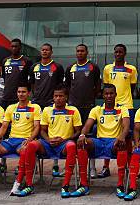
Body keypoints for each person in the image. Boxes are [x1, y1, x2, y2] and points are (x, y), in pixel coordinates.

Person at [0, 83, 41, 195]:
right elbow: (4, 126)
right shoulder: (11, 108)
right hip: (11, 141)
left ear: (29, 93)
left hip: (24, 140)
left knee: (25, 150)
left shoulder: (35, 108)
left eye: (24, 92)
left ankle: (18, 183)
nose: (21, 94)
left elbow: (37, 127)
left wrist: (31, 139)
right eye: (19, 92)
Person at [18, 85, 82, 198]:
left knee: (72, 145)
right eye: (56, 96)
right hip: (48, 143)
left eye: (61, 96)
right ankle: (29, 184)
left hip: (64, 144)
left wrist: (65, 139)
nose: (58, 98)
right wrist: (49, 140)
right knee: (32, 145)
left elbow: (78, 131)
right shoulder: (47, 110)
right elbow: (42, 130)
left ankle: (65, 185)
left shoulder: (73, 110)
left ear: (66, 97)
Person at [75, 84, 130, 198]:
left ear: (116, 95)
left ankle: (120, 185)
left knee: (122, 144)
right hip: (99, 141)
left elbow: (126, 126)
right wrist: (82, 135)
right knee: (82, 144)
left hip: (114, 142)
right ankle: (83, 185)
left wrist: (122, 136)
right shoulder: (97, 109)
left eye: (111, 93)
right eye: (106, 93)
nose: (109, 96)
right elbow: (87, 125)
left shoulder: (122, 109)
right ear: (103, 95)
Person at [101, 44, 137, 178]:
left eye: (120, 52)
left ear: (125, 53)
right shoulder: (107, 68)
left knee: (127, 137)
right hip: (111, 106)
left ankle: (127, 165)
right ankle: (105, 167)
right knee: (109, 133)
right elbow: (107, 87)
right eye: (116, 52)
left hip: (127, 106)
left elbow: (132, 88)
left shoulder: (131, 69)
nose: (118, 54)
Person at [28, 43, 64, 176]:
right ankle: (35, 163)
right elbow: (31, 84)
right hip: (37, 103)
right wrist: (35, 97)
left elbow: (60, 86)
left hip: (51, 104)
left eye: (47, 50)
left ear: (51, 52)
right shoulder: (34, 67)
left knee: (51, 132)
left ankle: (55, 164)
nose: (44, 52)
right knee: (36, 132)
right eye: (42, 50)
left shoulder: (57, 67)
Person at [66, 43, 101, 179]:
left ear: (87, 53)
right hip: (74, 107)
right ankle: (71, 166)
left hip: (89, 107)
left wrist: (91, 98)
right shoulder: (70, 68)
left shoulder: (93, 67)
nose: (80, 53)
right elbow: (68, 86)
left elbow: (98, 86)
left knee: (88, 137)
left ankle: (92, 168)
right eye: (78, 51)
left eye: (82, 51)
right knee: (73, 136)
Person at [0, 38, 32, 109]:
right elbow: (4, 77)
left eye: (16, 46)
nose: (13, 48)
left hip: (19, 97)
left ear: (20, 47)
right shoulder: (5, 61)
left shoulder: (27, 61)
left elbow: (30, 79)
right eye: (12, 46)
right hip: (6, 96)